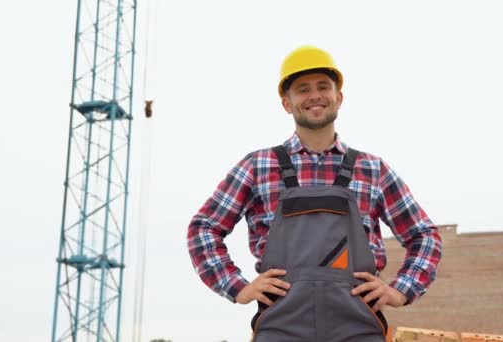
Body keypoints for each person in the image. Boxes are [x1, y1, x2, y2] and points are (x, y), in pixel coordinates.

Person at [187, 45, 442, 341]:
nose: (315, 96)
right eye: (302, 89)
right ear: (286, 103)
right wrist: (237, 287)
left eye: (323, 87)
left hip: (358, 327)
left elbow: (424, 235)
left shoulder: (371, 168)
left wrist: (401, 290)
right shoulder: (258, 166)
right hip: (281, 328)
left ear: (339, 97)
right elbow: (203, 228)